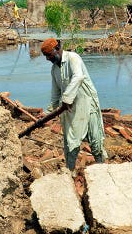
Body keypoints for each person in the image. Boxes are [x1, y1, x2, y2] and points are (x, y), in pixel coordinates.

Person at [39, 38, 107, 173]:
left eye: (49, 55)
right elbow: (55, 94)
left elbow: (78, 77)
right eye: (46, 56)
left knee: (96, 142)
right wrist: (46, 114)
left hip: (88, 104)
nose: (48, 59)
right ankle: (70, 173)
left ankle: (102, 171)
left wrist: (66, 99)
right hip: (71, 109)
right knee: (71, 143)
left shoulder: (73, 58)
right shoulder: (54, 70)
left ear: (57, 49)